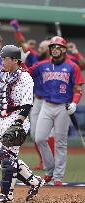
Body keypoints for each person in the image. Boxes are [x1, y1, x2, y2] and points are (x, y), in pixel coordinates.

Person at [0, 45, 45, 203]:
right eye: (2, 58)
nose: (2, 62)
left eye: (5, 59)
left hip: (16, 118)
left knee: (6, 157)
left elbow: (27, 104)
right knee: (6, 158)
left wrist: (17, 124)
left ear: (15, 60)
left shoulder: (25, 78)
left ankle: (6, 194)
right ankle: (35, 182)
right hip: (3, 118)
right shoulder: (5, 75)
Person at [29, 36, 84, 186]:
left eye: (58, 47)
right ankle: (50, 169)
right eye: (52, 47)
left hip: (63, 107)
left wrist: (74, 103)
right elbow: (26, 73)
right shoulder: (42, 65)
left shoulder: (73, 66)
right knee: (39, 138)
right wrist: (20, 63)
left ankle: (58, 176)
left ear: (64, 50)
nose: (55, 49)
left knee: (60, 143)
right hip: (46, 105)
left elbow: (78, 89)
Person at [10, 19, 55, 170]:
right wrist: (17, 28)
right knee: (35, 134)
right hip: (37, 100)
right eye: (41, 47)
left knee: (50, 135)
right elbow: (23, 44)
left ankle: (52, 162)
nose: (41, 49)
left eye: (44, 47)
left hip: (51, 101)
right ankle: (43, 161)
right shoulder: (36, 59)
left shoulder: (55, 64)